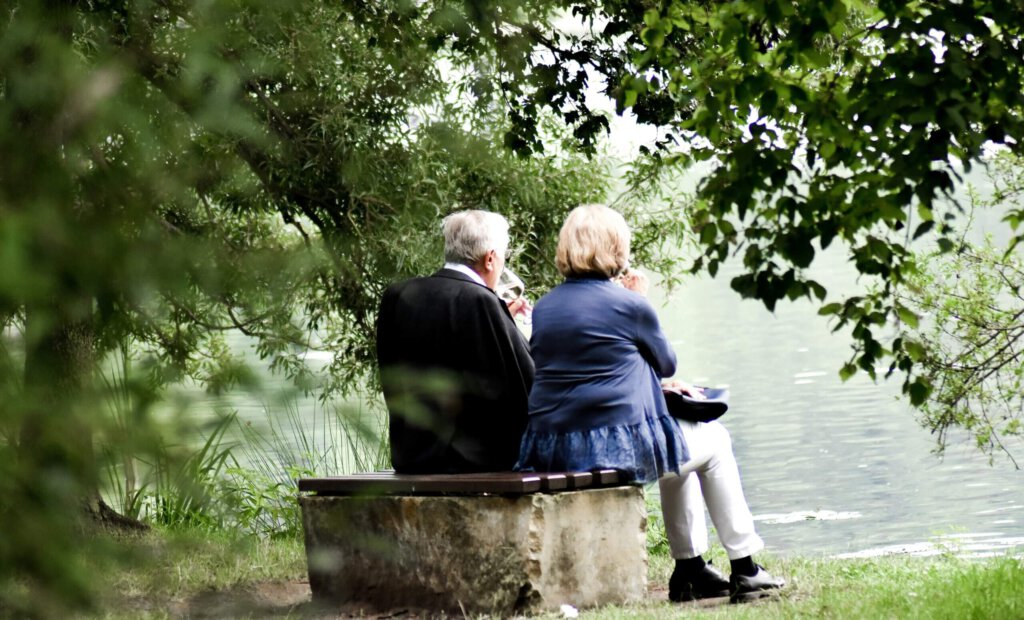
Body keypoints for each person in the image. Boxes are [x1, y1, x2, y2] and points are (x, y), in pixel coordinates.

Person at [516, 204, 785, 604]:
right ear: (615, 247)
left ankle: (690, 569)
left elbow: (595, 364)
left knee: (681, 451)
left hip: (554, 446)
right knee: (714, 440)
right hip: (610, 449)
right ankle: (745, 567)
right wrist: (641, 300)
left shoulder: (547, 307)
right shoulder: (629, 304)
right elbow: (666, 362)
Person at [376, 210, 533, 474]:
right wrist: (516, 329)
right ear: (491, 258)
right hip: (473, 461)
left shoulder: (398, 295)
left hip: (411, 456)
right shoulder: (481, 301)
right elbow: (523, 384)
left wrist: (502, 317)